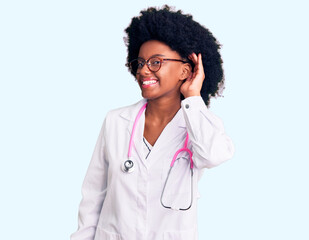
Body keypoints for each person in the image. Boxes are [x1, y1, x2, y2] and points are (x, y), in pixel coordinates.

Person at [70, 5, 234, 240]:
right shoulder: (116, 121)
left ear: (185, 70)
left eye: (156, 62)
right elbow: (93, 195)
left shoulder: (199, 124)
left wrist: (193, 98)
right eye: (140, 62)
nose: (144, 70)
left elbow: (213, 155)